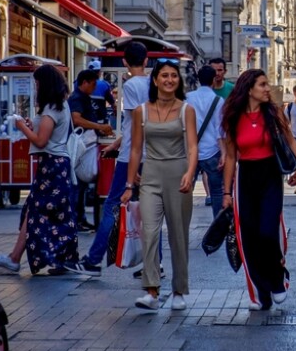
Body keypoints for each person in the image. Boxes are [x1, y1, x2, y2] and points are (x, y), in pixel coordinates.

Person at [220, 69, 296, 311]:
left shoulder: (274, 112)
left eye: (267, 84)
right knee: (250, 238)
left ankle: (278, 280)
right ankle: (261, 293)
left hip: (270, 175)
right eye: (262, 84)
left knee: (268, 232)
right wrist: (226, 193)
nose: (267, 89)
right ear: (249, 89)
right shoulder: (233, 118)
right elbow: (230, 158)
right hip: (245, 177)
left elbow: (289, 139)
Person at [65, 42, 151, 277]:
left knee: (112, 206)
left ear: (124, 62)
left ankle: (93, 261)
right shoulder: (152, 84)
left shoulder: (132, 85)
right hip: (148, 154)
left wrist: (124, 148)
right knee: (151, 209)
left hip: (131, 157)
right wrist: (117, 143)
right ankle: (155, 263)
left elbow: (135, 124)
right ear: (146, 60)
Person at [122, 61, 198, 311]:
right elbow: (135, 149)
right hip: (151, 175)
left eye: (174, 76)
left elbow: (193, 146)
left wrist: (190, 171)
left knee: (178, 235)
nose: (169, 79)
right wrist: (129, 183)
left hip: (178, 174)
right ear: (154, 80)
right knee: (150, 232)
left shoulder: (186, 109)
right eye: (164, 75)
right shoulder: (141, 111)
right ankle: (151, 291)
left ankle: (179, 291)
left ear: (179, 81)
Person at [0, 65, 77, 276]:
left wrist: (22, 127)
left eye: (37, 83)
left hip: (52, 167)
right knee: (39, 211)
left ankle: (16, 258)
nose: (35, 87)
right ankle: (20, 257)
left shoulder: (52, 109)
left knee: (38, 211)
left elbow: (41, 140)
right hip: (56, 166)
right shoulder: (59, 105)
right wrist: (31, 124)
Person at [68, 69, 115, 230]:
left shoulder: (85, 98)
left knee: (81, 186)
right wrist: (99, 126)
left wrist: (100, 129)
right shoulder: (76, 98)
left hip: (86, 146)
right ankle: (74, 220)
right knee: (76, 185)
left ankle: (79, 219)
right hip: (79, 148)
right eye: (93, 84)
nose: (95, 88)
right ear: (85, 82)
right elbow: (77, 119)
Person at [186, 65, 225, 219]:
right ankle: (217, 225)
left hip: (190, 152)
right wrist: (224, 153)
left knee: (186, 191)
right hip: (212, 151)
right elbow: (219, 130)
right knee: (217, 192)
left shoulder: (188, 98)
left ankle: (183, 222)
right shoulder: (218, 100)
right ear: (214, 80)